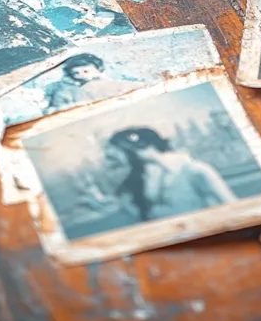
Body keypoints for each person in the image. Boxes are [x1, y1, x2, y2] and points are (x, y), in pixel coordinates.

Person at [108, 127, 236, 221]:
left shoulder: (194, 171)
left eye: (119, 152)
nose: (111, 160)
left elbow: (232, 206)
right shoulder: (134, 185)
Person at [44, 52, 132, 112]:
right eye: (76, 73)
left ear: (99, 70)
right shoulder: (65, 90)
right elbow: (58, 109)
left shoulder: (114, 85)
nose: (81, 75)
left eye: (86, 71)